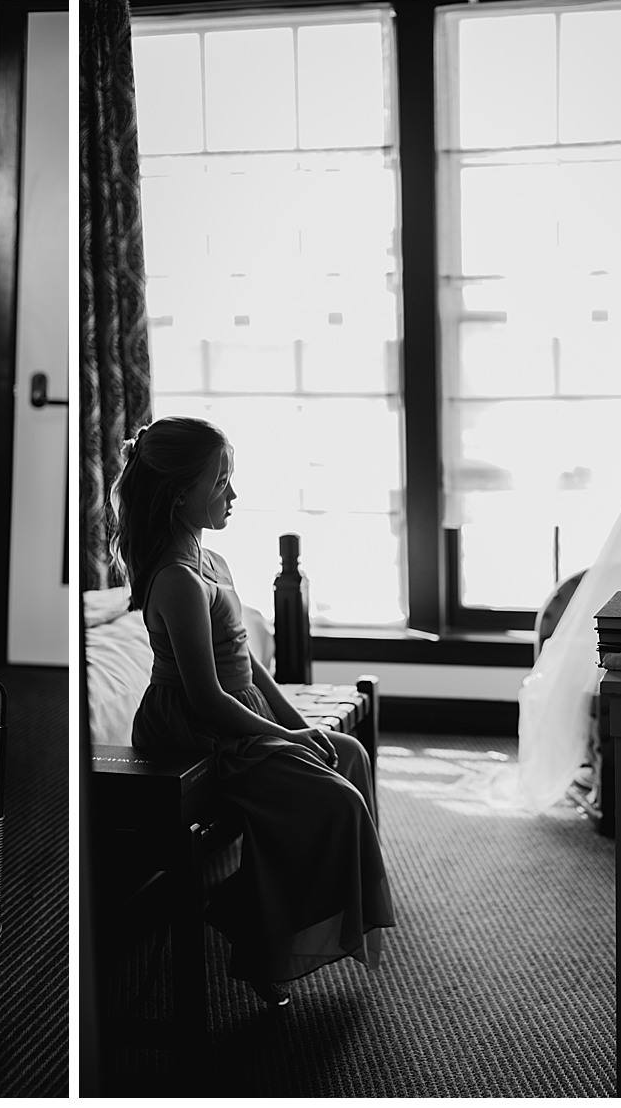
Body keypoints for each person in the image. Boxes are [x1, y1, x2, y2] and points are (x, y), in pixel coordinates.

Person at [110, 415, 396, 1007]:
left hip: (235, 713)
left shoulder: (214, 563)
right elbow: (206, 696)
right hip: (197, 728)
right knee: (334, 800)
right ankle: (251, 925)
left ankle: (276, 906)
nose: (233, 495)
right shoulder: (177, 581)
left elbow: (248, 663)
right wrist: (282, 742)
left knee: (350, 755)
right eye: (220, 483)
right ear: (179, 493)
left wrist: (298, 725)